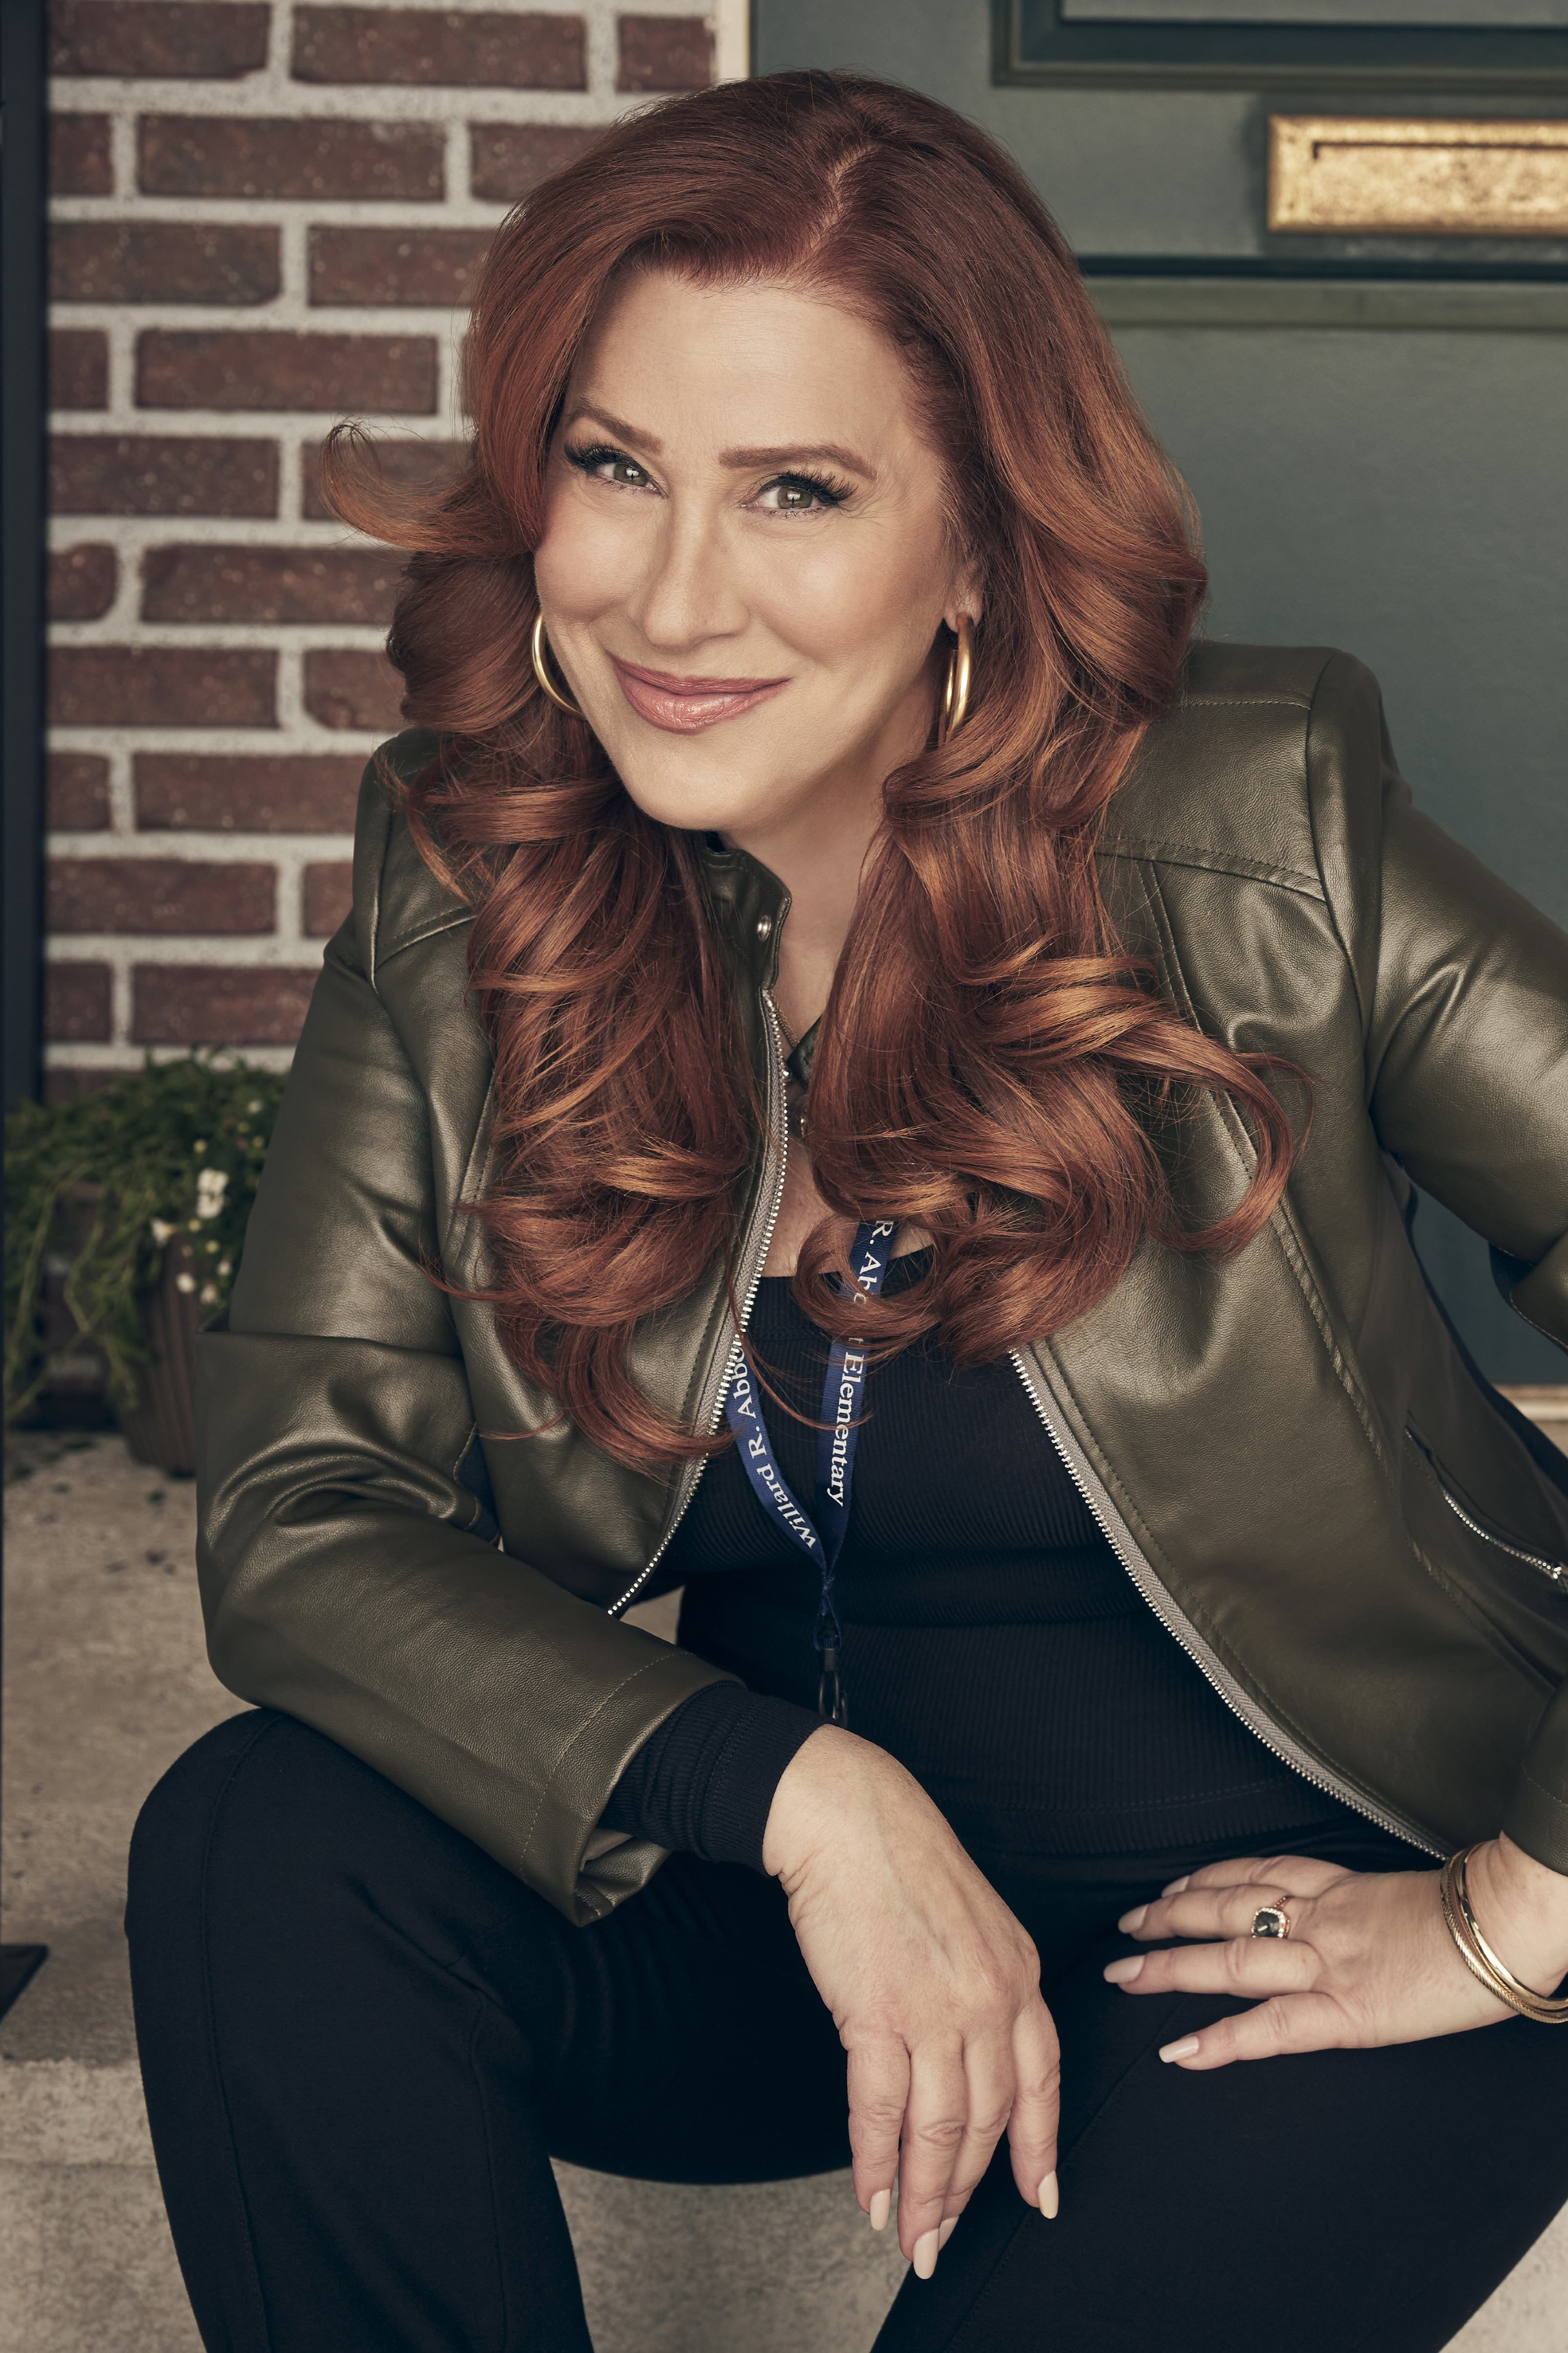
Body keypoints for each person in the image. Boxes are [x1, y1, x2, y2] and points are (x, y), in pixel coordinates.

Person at [126, 70, 1568, 2353]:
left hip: (1297, 1928)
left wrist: (1506, 1913)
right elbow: (307, 1513)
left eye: (796, 490)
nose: (670, 595)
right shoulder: (474, 872)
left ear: (979, 544)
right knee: (262, 1845)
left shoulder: (1256, 831)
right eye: (614, 468)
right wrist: (802, 1796)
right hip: (818, 1915)